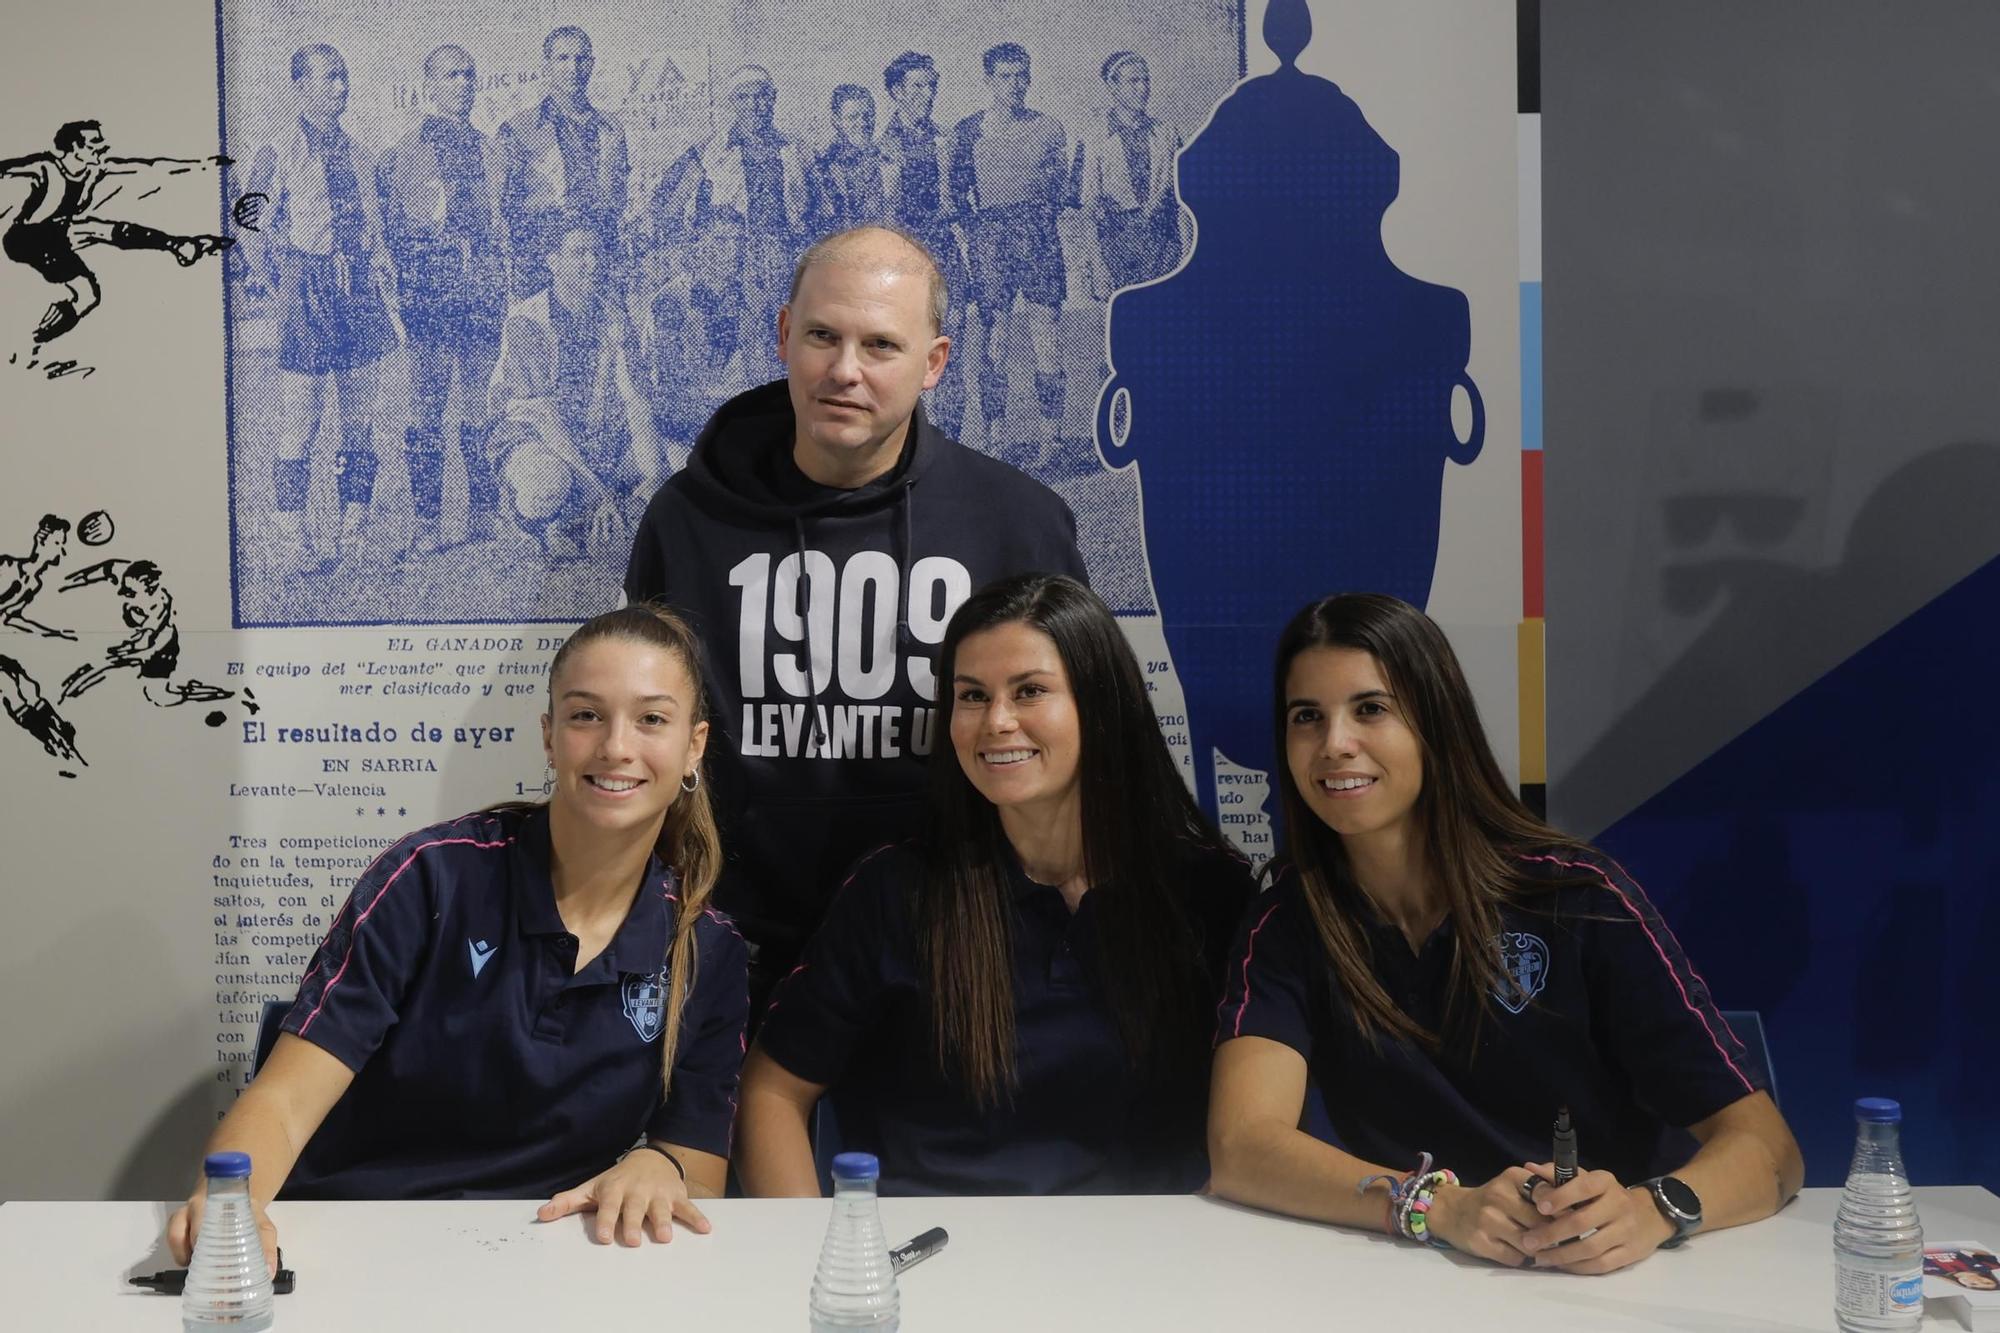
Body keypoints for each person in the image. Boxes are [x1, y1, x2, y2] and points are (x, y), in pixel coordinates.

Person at [1208, 593, 1804, 1273]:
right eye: (1306, 716)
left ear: (1437, 722)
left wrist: (1650, 1210)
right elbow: (1242, 1144)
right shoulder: (1286, 919)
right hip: (1415, 1282)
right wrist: (1435, 1204)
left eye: (1370, 708)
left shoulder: (1575, 895)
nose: (1335, 742)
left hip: (1605, 1286)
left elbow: (1770, 1147)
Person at [164, 604, 748, 1272]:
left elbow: (699, 1170)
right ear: (550, 736)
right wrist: (230, 1202)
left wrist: (658, 1161)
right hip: (352, 1242)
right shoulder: (429, 880)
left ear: (693, 745)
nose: (617, 746)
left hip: (545, 1261)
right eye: (586, 714)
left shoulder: (710, 949)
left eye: (652, 719)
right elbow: (285, 1101)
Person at [624, 223, 1087, 1015]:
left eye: (880, 345)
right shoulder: (686, 520)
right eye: (822, 336)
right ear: (783, 334)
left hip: (957, 943)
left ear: (933, 363)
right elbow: (647, 738)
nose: (844, 371)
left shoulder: (1019, 524)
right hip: (737, 951)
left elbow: (1079, 749)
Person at [737, 572, 1252, 1194]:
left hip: (1147, 1271)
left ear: (1102, 704)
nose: (997, 722)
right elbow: (771, 1089)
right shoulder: (896, 891)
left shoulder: (1209, 894)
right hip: (934, 1265)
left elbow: (1258, 1130)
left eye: (1030, 691)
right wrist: (821, 1260)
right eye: (972, 696)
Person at [240, 44, 398, 573]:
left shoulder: (360, 153)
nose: (341, 87)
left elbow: (374, 230)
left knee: (360, 420)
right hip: (305, 289)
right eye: (330, 78)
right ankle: (293, 537)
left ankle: (354, 532)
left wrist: (376, 266)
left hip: (355, 290)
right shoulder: (277, 151)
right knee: (300, 421)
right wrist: (267, 278)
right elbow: (249, 225)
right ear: (301, 87)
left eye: (344, 77)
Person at [375, 44, 506, 554]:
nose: (463, 83)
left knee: (479, 404)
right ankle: (427, 522)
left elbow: (499, 228)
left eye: (469, 74)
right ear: (429, 85)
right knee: (427, 408)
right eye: (452, 75)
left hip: (481, 293)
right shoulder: (400, 155)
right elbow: (386, 234)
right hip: (429, 295)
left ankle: (484, 514)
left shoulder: (492, 150)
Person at [488, 225, 662, 560]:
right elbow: (546, 419)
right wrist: (599, 493)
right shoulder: (529, 319)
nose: (591, 262)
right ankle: (529, 523)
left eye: (595, 253)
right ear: (553, 261)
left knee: (681, 466)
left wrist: (653, 477)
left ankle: (594, 522)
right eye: (579, 253)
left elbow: (635, 401)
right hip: (534, 439)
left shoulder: (613, 313)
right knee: (549, 482)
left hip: (596, 440)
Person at [0, 120, 231, 347]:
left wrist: (203, 163)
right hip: (27, 240)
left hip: (57, 237)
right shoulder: (47, 167)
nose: (103, 147)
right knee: (91, 256)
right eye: (95, 142)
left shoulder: (94, 170)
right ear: (75, 147)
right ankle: (30, 339)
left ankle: (177, 245)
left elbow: (149, 166)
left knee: (89, 293)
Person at [949, 42, 1069, 438]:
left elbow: (1059, 188)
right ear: (989, 81)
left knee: (1046, 333)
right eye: (1006, 77)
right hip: (991, 237)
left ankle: (1051, 438)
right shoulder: (969, 130)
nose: (1016, 84)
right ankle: (994, 436)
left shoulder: (1050, 127)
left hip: (1036, 234)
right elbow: (957, 190)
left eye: (1022, 76)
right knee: (994, 335)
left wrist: (1038, 218)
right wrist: (976, 231)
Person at [693, 66, 808, 386]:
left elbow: (813, 206)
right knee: (749, 336)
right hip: (736, 255)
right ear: (733, 102)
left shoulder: (793, 148)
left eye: (761, 97)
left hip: (782, 251)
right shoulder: (714, 151)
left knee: (789, 334)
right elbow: (685, 202)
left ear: (773, 100)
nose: (754, 105)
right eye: (744, 97)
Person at [498, 26, 629, 299]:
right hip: (543, 265)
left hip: (600, 263)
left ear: (591, 65)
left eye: (581, 59)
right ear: (547, 66)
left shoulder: (612, 129)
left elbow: (617, 201)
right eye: (563, 58)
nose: (573, 68)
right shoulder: (518, 129)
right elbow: (505, 207)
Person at [877, 51, 968, 438]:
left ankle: (952, 438)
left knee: (952, 345)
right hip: (902, 261)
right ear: (897, 91)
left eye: (932, 86)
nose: (927, 94)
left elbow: (963, 198)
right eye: (918, 85)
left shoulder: (947, 140)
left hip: (944, 252)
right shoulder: (882, 145)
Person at [1078, 52, 1183, 294]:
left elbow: (1180, 199)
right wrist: (1098, 264)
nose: (1143, 88)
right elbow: (1088, 208)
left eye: (1146, 80)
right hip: (1118, 246)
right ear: (1112, 87)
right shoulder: (1093, 138)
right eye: (1133, 81)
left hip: (1163, 244)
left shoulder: (1167, 133)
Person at [813, 84, 888, 232]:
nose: (862, 123)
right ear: (837, 121)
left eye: (867, 116)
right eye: (853, 117)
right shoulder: (822, 167)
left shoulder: (887, 162)